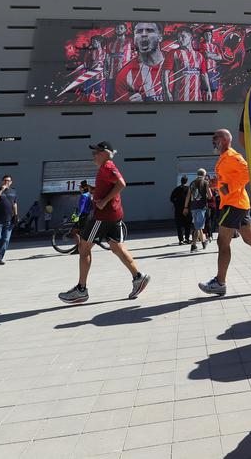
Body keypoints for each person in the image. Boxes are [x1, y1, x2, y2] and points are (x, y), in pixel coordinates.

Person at [58, 142, 151, 303]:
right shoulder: (106, 168)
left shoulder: (107, 167)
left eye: (96, 153)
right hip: (114, 215)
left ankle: (81, 290)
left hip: (103, 216)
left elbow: (122, 184)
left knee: (84, 247)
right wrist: (93, 190)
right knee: (117, 248)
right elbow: (109, 187)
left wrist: (104, 201)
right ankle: (138, 277)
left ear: (105, 153)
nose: (93, 155)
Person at [198, 129, 251, 296]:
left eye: (215, 138)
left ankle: (220, 282)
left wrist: (228, 188)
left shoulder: (233, 157)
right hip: (238, 203)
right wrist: (216, 184)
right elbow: (226, 181)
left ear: (225, 140)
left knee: (222, 242)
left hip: (233, 204)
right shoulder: (224, 158)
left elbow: (248, 172)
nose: (213, 141)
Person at [115, 21, 171, 102]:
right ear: (134, 39)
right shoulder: (123, 76)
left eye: (150, 31)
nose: (143, 34)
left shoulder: (180, 63)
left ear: (160, 37)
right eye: (139, 31)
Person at [168, 27, 212, 101]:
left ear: (191, 37)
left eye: (183, 37)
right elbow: (165, 73)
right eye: (178, 37)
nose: (180, 39)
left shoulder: (200, 55)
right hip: (179, 97)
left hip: (197, 97)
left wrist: (208, 90)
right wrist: (167, 92)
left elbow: (204, 74)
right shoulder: (174, 53)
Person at [186, 168, 212, 252]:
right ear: (204, 175)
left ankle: (203, 242)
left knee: (199, 225)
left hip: (193, 207)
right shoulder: (205, 183)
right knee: (198, 227)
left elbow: (188, 196)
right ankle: (193, 245)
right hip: (201, 207)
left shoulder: (192, 183)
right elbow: (210, 196)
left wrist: (185, 207)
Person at [170, 175, 191, 244]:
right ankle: (187, 239)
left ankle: (181, 240)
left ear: (181, 181)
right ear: (187, 181)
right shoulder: (189, 189)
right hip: (187, 209)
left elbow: (171, 199)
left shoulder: (176, 189)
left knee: (179, 225)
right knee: (187, 224)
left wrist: (176, 204)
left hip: (178, 210)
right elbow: (192, 199)